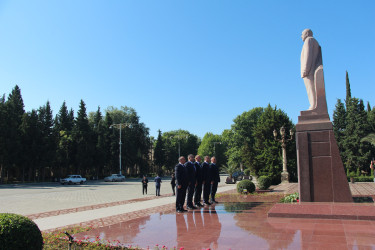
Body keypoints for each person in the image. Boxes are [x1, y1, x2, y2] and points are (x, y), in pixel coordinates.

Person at [300, 28, 323, 111]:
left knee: (311, 89)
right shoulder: (314, 41)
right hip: (312, 69)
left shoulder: (309, 40)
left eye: (302, 34)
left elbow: (308, 55)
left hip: (309, 70)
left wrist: (305, 70)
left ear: (306, 34)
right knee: (312, 89)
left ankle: (313, 105)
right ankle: (314, 105)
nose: (301, 36)